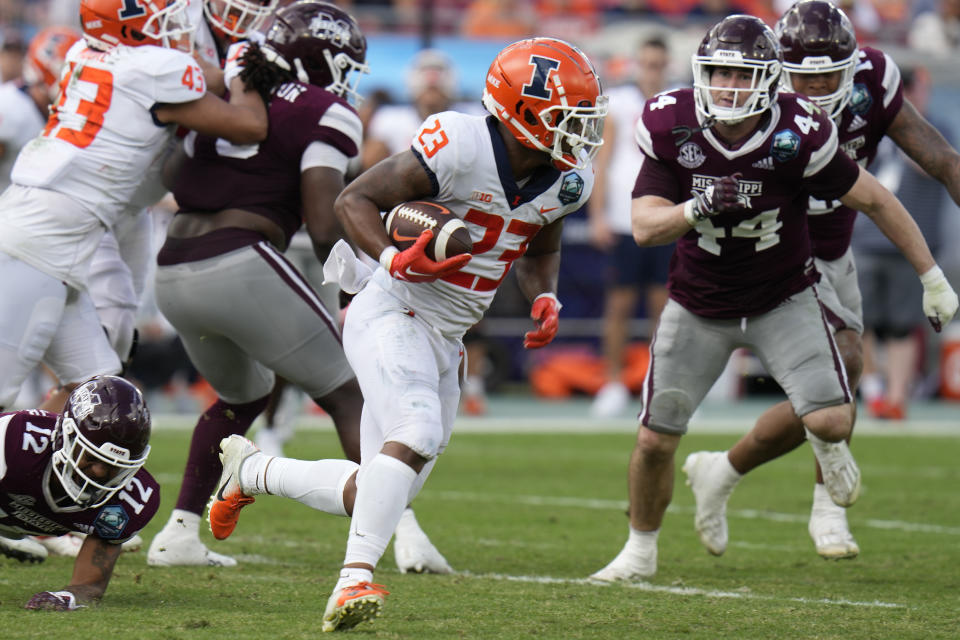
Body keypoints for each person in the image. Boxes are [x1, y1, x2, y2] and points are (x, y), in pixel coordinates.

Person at [207, 37, 607, 630]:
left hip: (449, 334)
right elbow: (354, 201)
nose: (581, 133)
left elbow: (538, 240)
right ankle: (353, 580)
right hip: (394, 308)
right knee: (414, 432)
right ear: (521, 113)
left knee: (384, 491)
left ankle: (255, 472)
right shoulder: (459, 142)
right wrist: (392, 260)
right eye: (566, 119)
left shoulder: (567, 180)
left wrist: (542, 292)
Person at [590, 14, 957, 582]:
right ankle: (640, 548)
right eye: (718, 75)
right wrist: (697, 208)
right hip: (699, 297)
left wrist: (932, 277)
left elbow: (881, 197)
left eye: (741, 77)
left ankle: (821, 497)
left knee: (841, 398)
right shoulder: (671, 121)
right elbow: (643, 225)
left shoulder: (803, 128)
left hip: (788, 284)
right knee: (654, 438)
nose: (729, 89)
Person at [146, 0, 450, 576]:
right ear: (322, 59)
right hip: (238, 260)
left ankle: (180, 533)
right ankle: (398, 532)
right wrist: (357, 288)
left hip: (173, 266)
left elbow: (172, 174)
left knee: (244, 397)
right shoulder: (324, 109)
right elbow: (323, 212)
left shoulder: (233, 97)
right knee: (350, 393)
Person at [0, 0, 268, 417]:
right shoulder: (152, 69)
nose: (172, 28)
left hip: (55, 232)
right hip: (41, 243)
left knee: (96, 392)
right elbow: (250, 125)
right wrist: (245, 64)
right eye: (158, 20)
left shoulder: (84, 53)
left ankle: (25, 477)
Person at [360, 48, 493, 416]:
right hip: (405, 222)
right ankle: (377, 382)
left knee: (469, 306)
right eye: (427, 82)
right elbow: (370, 172)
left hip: (456, 222)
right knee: (386, 302)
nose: (432, 90)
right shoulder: (392, 119)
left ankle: (474, 385)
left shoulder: (470, 122)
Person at [0, 376, 157, 610]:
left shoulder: (133, 497)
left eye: (115, 466)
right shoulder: (13, 439)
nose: (99, 472)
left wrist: (68, 598)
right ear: (66, 436)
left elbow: (87, 587)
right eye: (91, 457)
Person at [854, 65, 951, 420]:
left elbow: (938, 166)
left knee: (902, 324)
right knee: (859, 320)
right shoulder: (871, 128)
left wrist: (908, 137)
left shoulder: (937, 129)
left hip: (915, 245)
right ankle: (873, 388)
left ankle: (897, 397)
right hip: (867, 238)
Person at [588, 36, 674, 418]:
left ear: (666, 65)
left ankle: (664, 386)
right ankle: (612, 382)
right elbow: (602, 159)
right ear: (637, 64)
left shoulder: (679, 102)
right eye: (646, 63)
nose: (652, 71)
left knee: (664, 306)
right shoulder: (620, 103)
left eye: (658, 64)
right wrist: (597, 214)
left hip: (665, 215)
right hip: (625, 215)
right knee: (619, 304)